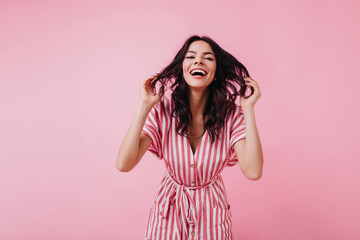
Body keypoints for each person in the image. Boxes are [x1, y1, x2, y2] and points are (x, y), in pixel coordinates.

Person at [116, 35, 263, 240]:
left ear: (216, 71)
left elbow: (253, 171)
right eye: (191, 56)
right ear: (182, 67)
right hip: (168, 214)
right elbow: (124, 163)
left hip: (212, 215)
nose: (198, 61)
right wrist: (144, 106)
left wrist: (248, 109)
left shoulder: (231, 115)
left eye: (208, 58)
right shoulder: (162, 112)